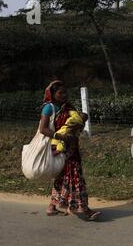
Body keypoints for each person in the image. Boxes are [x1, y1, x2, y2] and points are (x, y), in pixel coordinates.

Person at [39, 80, 101, 221]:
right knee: (75, 177)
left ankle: (52, 206)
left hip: (71, 145)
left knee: (61, 177)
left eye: (65, 92)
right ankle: (82, 208)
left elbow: (77, 120)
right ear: (53, 94)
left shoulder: (68, 107)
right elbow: (43, 129)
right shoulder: (49, 108)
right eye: (60, 93)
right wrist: (60, 136)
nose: (64, 95)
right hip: (59, 146)